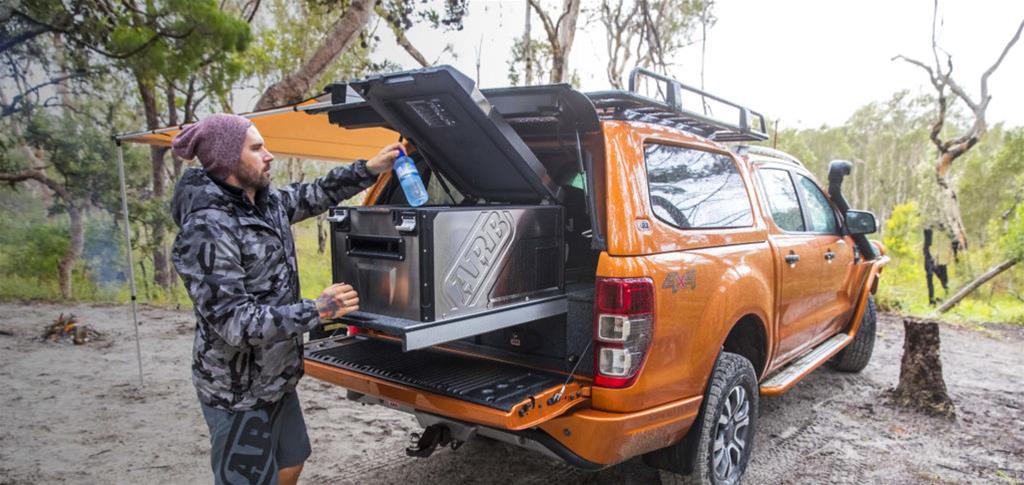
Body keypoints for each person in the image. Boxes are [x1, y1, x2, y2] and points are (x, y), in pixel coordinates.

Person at [169, 113, 400, 484]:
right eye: (257, 148)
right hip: (238, 390)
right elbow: (236, 324)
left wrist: (370, 168)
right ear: (228, 160)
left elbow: (315, 194)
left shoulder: (264, 202)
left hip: (276, 379)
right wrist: (318, 310)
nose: (269, 155)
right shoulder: (206, 230)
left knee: (291, 462)